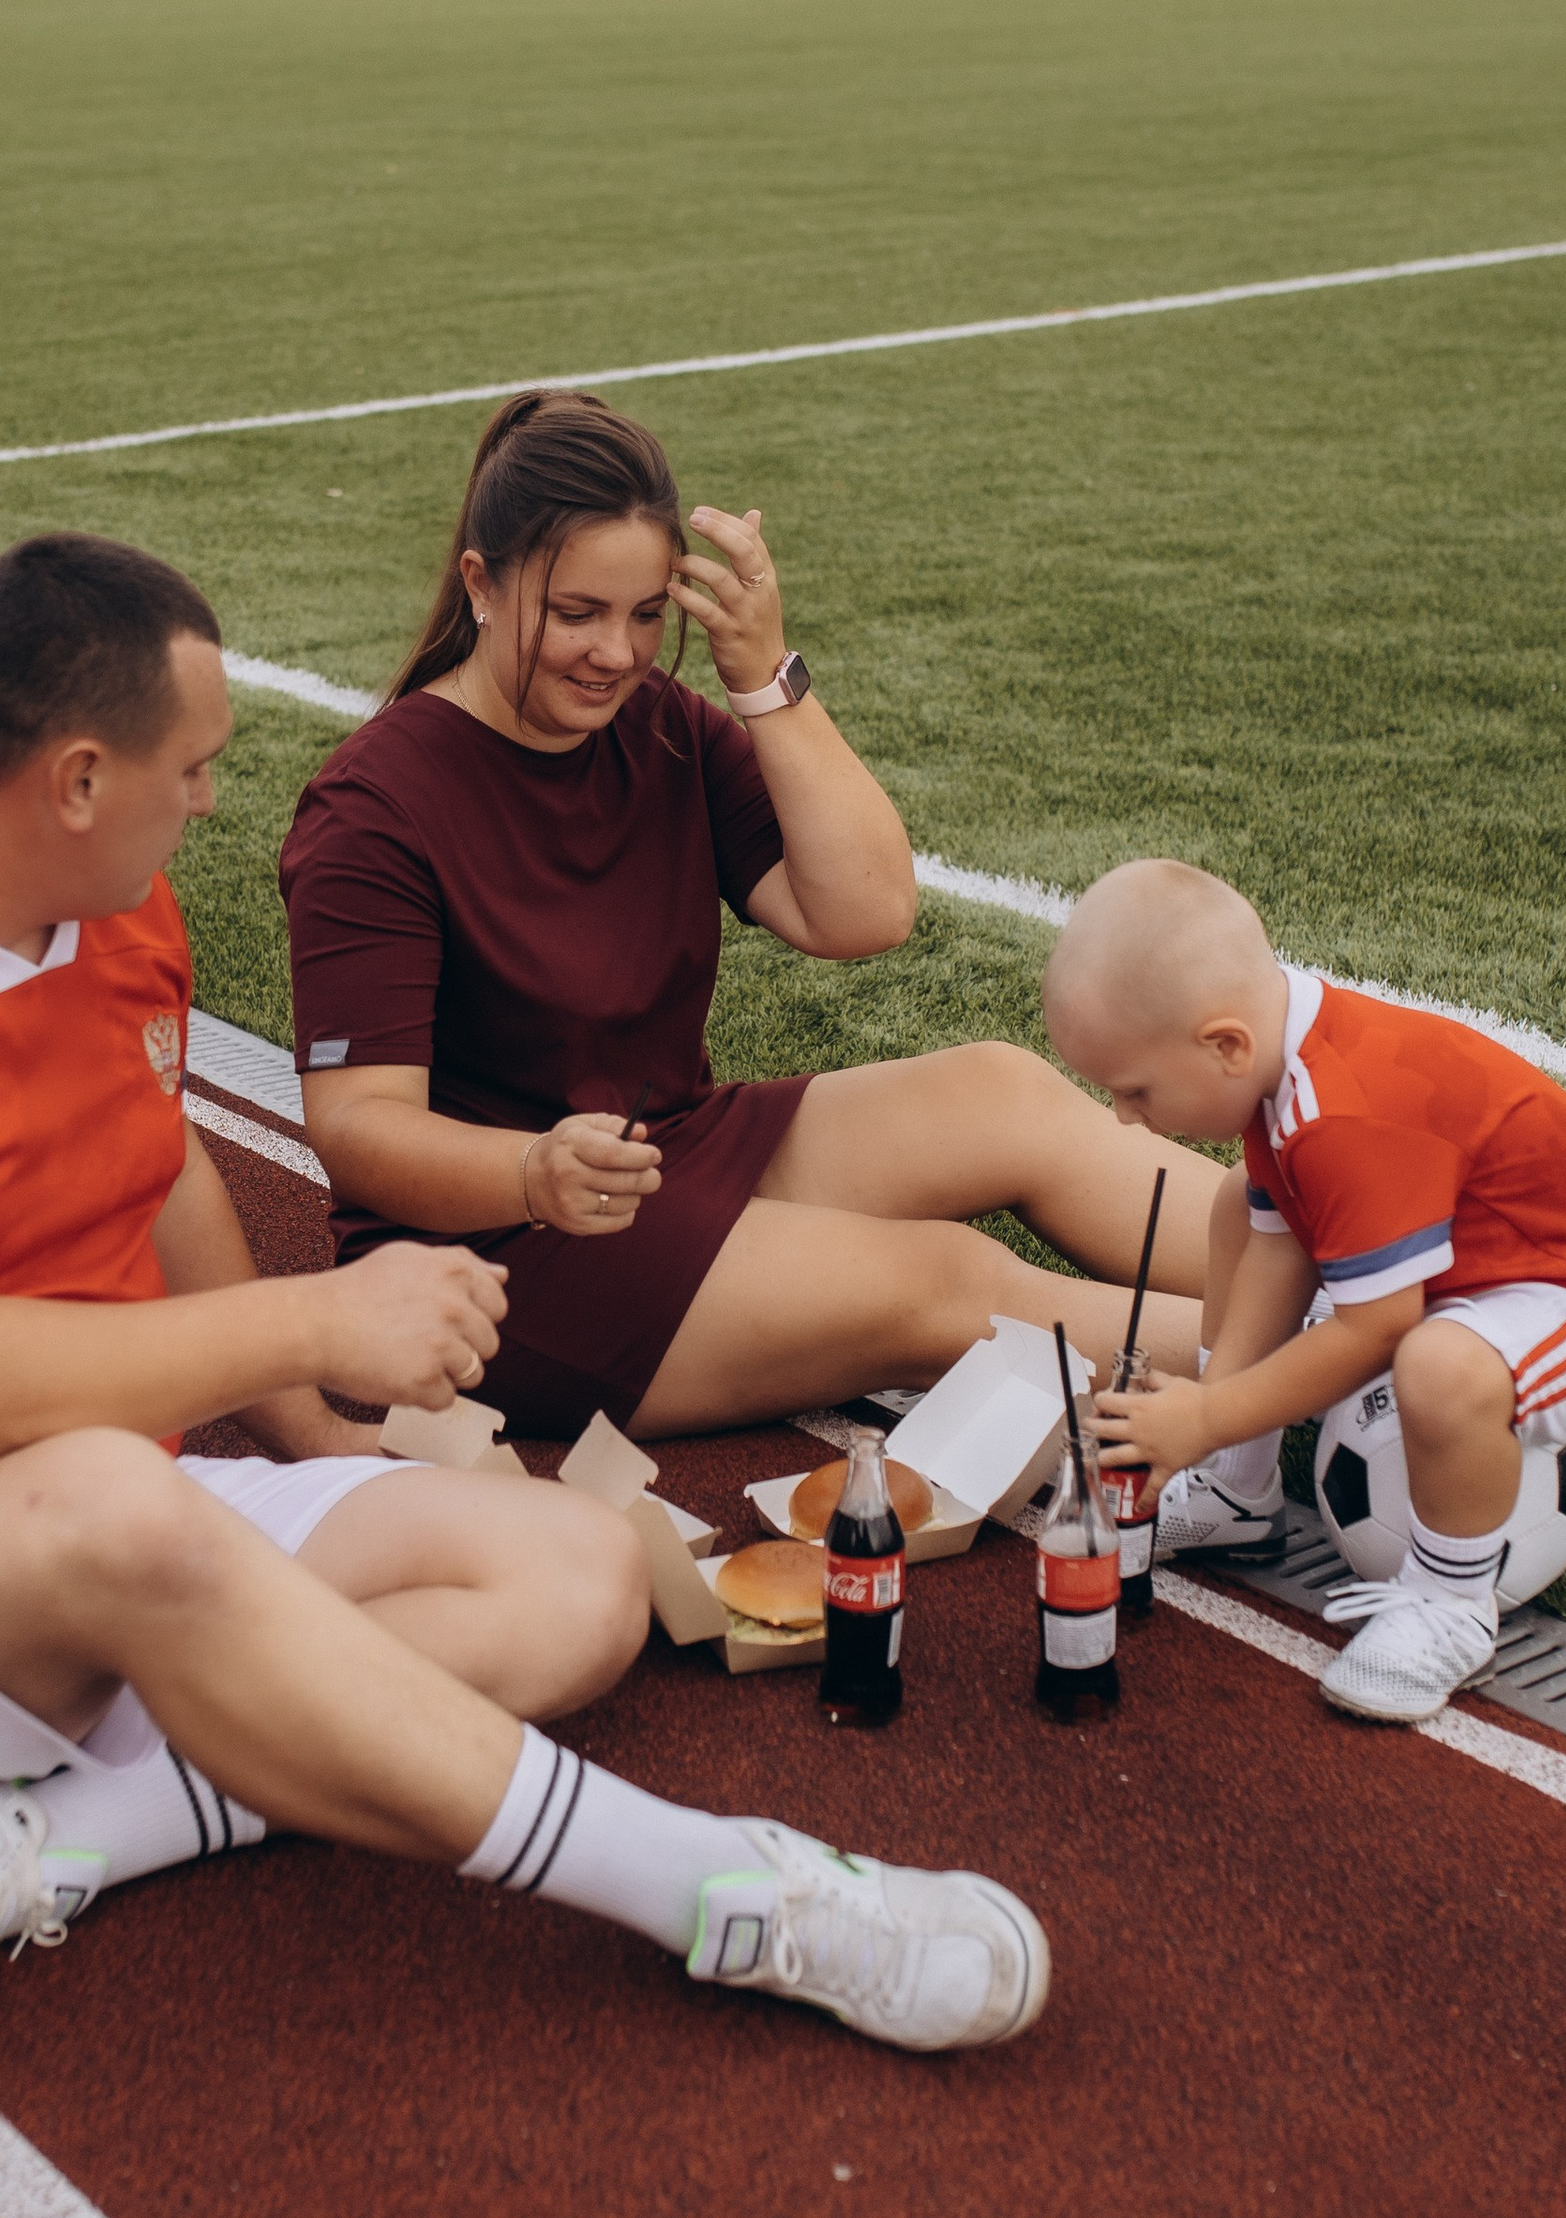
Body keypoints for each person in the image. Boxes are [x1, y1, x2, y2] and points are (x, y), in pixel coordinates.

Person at [0, 531, 1050, 2054]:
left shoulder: (112, 911)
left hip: (102, 1505)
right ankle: (724, 1891)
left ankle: (56, 1833)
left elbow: (156, 1166)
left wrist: (309, 1432)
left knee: (576, 1580)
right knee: (118, 1502)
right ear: (80, 779)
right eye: (194, 768)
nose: (211, 800)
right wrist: (311, 1322)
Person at [277, 392, 1214, 1448]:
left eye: (645, 614)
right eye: (576, 613)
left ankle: (1355, 1266)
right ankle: (1327, 1357)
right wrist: (530, 1170)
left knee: (1001, 1091)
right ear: (480, 586)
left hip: (660, 1150)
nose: (617, 654)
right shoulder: (375, 807)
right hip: (490, 1258)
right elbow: (358, 1134)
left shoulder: (660, 725)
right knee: (943, 1284)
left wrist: (765, 682)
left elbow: (864, 911)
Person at [1042, 857, 1566, 1725]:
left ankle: (1452, 1604)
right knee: (1242, 1206)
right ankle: (1238, 1492)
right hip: (1462, 1277)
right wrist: (1213, 1418)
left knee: (1436, 1366)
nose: (1125, 1115)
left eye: (1134, 1090)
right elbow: (1280, 1255)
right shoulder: (1279, 1069)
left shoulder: (1335, 1114)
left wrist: (1205, 1415)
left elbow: (1376, 1329)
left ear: (1224, 1045)